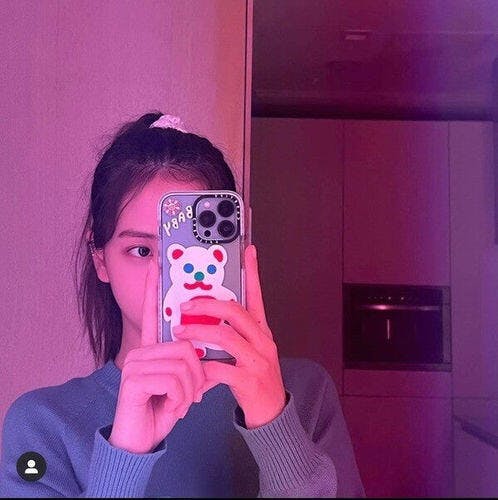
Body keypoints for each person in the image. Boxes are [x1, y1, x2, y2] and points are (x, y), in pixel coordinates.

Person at [0, 112, 365, 498]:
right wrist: (124, 456)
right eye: (141, 251)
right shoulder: (42, 425)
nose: (171, 277)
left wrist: (276, 430)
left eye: (191, 249)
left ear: (232, 252)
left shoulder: (305, 393)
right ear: (100, 258)